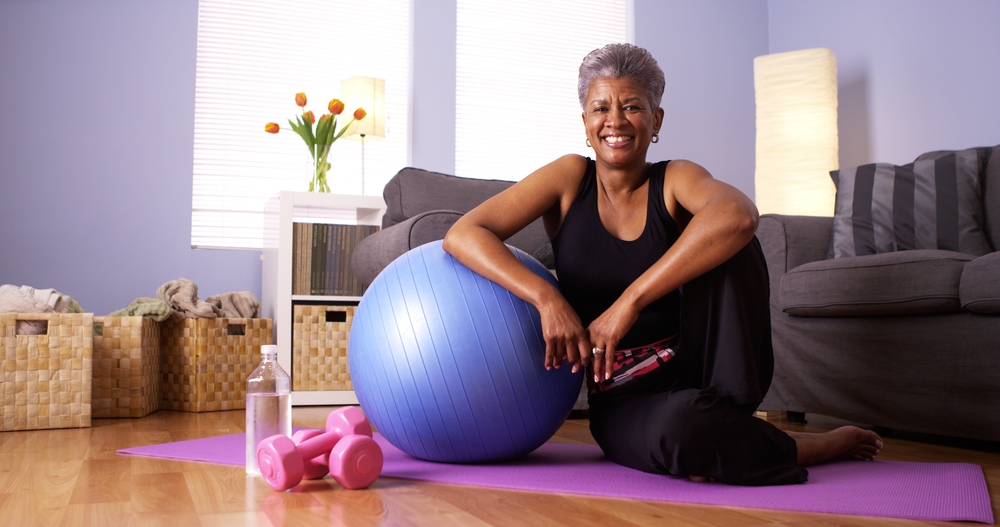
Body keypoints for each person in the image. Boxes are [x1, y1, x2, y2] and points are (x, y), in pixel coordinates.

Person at [442, 43, 882, 485]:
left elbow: (740, 215)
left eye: (632, 106)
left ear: (656, 120)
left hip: (709, 371)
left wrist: (628, 302)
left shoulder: (674, 179)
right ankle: (797, 444)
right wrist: (547, 298)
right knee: (682, 433)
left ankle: (746, 427)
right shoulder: (568, 177)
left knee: (730, 236)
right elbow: (465, 233)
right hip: (625, 397)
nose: (615, 121)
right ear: (585, 122)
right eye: (601, 108)